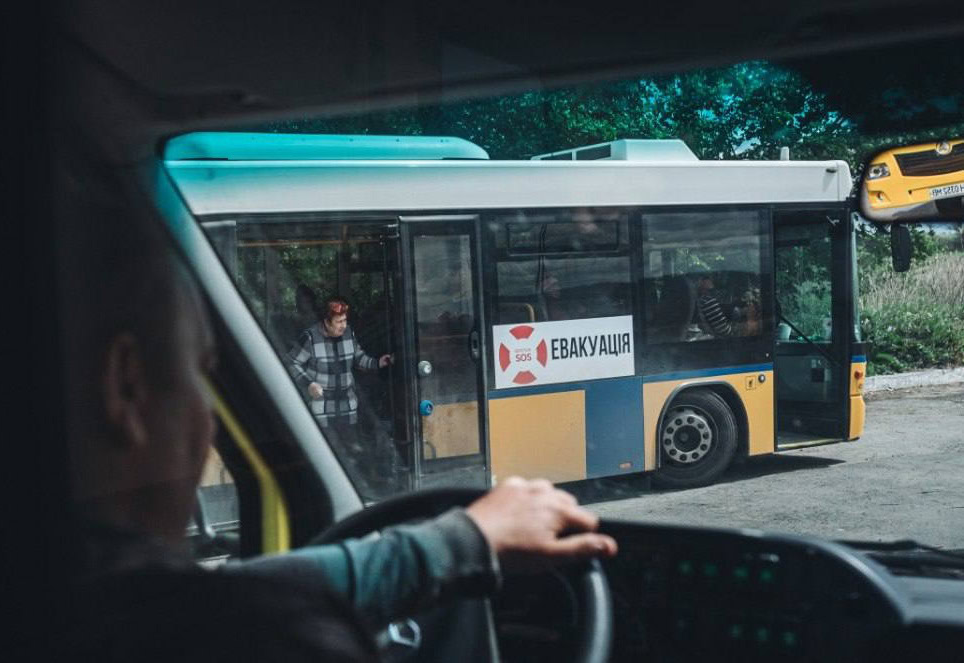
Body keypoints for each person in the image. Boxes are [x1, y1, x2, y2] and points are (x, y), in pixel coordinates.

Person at [57, 199, 618, 660]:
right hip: (327, 412)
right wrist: (459, 545)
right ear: (126, 386)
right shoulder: (220, 634)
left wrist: (383, 369)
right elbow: (240, 606)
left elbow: (245, 590)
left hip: (349, 412)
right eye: (201, 377)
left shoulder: (65, 589)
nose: (210, 420)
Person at [287, 296, 392, 460]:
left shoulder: (349, 333)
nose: (344, 325)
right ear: (327, 322)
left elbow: (359, 358)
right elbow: (291, 363)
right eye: (339, 321)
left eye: (345, 320)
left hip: (347, 405)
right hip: (321, 406)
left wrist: (378, 362)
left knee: (351, 452)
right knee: (324, 452)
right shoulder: (310, 338)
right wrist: (308, 384)